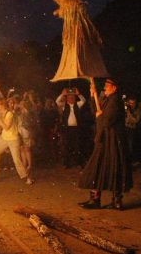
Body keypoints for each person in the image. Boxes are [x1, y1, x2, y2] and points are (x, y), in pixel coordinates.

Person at [78, 78, 132, 210]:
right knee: (98, 166)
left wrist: (99, 116)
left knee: (115, 167)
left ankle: (116, 201)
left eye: (108, 85)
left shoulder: (115, 101)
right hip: (105, 139)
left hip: (113, 140)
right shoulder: (108, 99)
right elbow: (95, 111)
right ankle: (95, 199)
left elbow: (106, 121)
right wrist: (92, 95)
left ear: (115, 88)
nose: (105, 87)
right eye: (106, 85)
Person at [0, 98, 33, 185]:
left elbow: (6, 127)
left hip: (13, 139)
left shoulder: (9, 114)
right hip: (4, 138)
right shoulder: (0, 114)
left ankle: (27, 177)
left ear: (2, 106)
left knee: (16, 160)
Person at [56, 87, 87, 167]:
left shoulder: (77, 105)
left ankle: (78, 163)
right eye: (69, 97)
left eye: (72, 97)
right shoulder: (64, 105)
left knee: (77, 146)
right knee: (66, 146)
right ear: (67, 98)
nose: (71, 98)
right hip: (67, 129)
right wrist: (62, 94)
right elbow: (57, 101)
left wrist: (78, 94)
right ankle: (67, 163)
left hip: (76, 129)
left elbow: (84, 100)